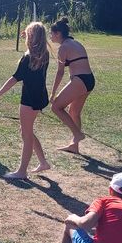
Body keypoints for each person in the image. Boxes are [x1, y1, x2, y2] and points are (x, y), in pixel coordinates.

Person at [0, 21, 51, 179]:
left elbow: (13, 79)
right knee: (26, 131)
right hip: (40, 97)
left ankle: (22, 171)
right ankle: (43, 162)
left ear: (32, 37)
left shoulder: (28, 58)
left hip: (29, 100)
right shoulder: (44, 54)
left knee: (26, 135)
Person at [49, 17, 94, 154]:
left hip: (80, 80)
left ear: (58, 34)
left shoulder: (63, 48)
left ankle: (77, 134)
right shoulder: (75, 43)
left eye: (51, 33)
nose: (50, 36)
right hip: (89, 80)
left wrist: (52, 93)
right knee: (74, 112)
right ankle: (74, 146)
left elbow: (60, 72)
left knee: (56, 107)